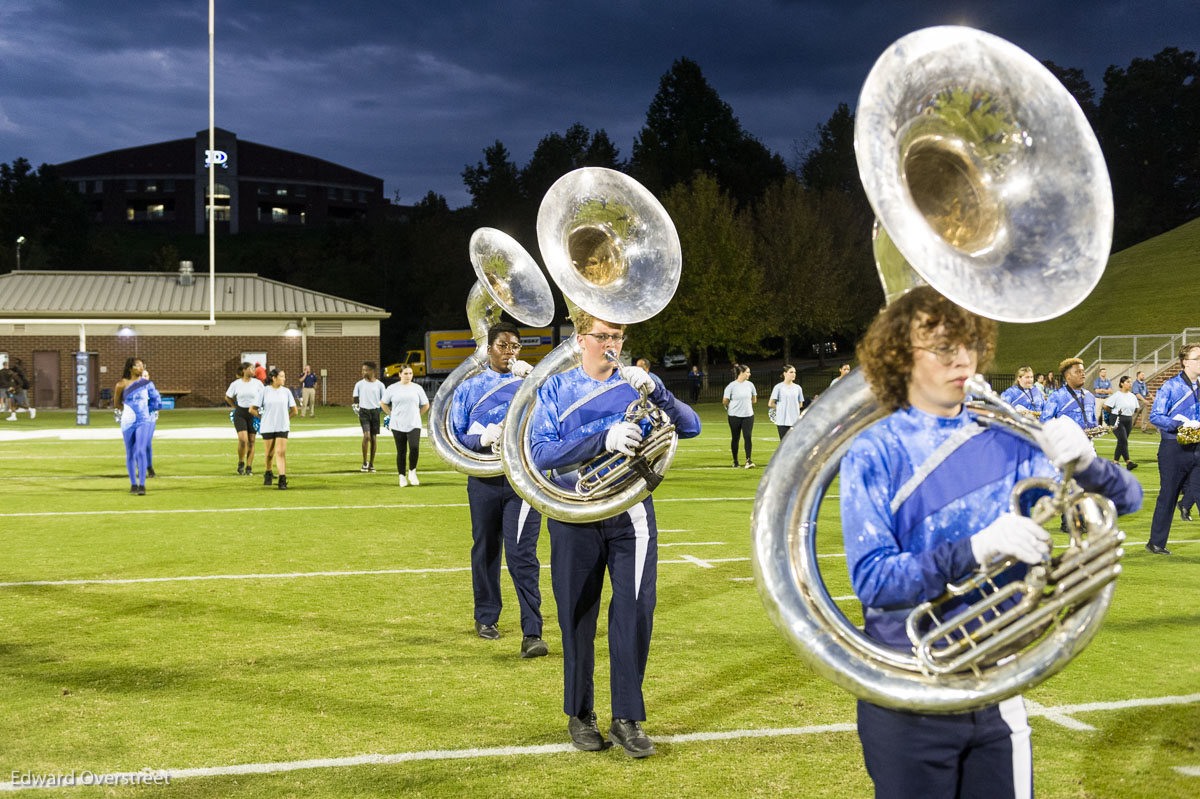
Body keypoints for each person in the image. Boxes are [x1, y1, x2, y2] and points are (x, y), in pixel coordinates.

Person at [841, 286, 1142, 799]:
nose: (962, 359)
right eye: (941, 348)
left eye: (968, 344)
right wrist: (975, 549)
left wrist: (1089, 464)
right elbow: (873, 581)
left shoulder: (1010, 439)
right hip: (907, 692)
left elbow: (1128, 499)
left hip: (998, 685)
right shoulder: (874, 449)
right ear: (898, 357)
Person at [529, 310, 701, 758]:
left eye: (619, 336)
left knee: (636, 610)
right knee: (576, 615)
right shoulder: (555, 387)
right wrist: (602, 439)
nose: (612, 343)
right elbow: (541, 451)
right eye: (603, 335)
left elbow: (691, 426)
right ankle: (579, 713)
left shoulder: (637, 382)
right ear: (580, 338)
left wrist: (659, 390)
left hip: (631, 511)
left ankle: (627, 717)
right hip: (573, 512)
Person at [449, 321, 546, 656]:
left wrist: (535, 381)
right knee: (486, 548)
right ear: (489, 348)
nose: (510, 352)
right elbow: (457, 433)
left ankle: (532, 631)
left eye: (515, 346)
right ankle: (486, 616)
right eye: (503, 346)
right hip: (484, 480)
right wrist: (482, 438)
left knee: (522, 555)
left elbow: (551, 420)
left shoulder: (531, 382)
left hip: (523, 481)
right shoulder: (470, 387)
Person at [1146, 344, 1200, 555]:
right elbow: (1155, 417)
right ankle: (1156, 542)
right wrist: (1179, 424)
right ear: (1185, 362)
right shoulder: (1170, 387)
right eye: (1198, 357)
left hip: (1197, 445)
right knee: (1168, 495)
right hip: (1173, 448)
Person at [114, 361, 161, 495]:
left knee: (140, 450)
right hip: (128, 421)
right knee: (130, 452)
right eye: (138, 366)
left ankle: (142, 485)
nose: (142, 368)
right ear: (130, 368)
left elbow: (156, 401)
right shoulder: (121, 384)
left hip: (143, 420)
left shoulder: (147, 384)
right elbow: (117, 404)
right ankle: (133, 484)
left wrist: (148, 410)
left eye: (143, 366)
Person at [381, 365, 430, 486]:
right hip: (397, 424)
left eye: (410, 373)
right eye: (406, 373)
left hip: (414, 423)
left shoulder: (417, 388)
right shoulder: (392, 388)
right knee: (401, 451)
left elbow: (426, 405)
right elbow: (383, 403)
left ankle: (412, 472)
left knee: (414, 448)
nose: (408, 376)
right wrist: (391, 414)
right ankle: (402, 476)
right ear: (400, 374)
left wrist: (417, 415)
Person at [252, 367, 298, 489]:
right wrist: (262, 418)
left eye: (284, 376)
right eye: (281, 376)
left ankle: (282, 479)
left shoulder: (286, 392)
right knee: (269, 453)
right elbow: (252, 409)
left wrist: (286, 419)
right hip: (267, 426)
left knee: (280, 452)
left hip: (282, 426)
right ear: (274, 378)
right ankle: (268, 472)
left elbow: (294, 411)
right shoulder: (264, 391)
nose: (284, 378)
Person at [225, 362, 264, 475]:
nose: (253, 370)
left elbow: (263, 396)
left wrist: (261, 409)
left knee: (252, 441)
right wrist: (235, 407)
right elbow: (227, 397)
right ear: (244, 370)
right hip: (240, 413)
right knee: (243, 440)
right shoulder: (236, 384)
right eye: (251, 368)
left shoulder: (257, 383)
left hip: (253, 413)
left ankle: (249, 467)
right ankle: (241, 463)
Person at [1041, 358, 1099, 431]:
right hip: (1065, 441)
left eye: (1083, 371)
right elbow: (1044, 423)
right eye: (1078, 372)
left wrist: (1097, 428)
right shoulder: (1057, 396)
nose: (1083, 374)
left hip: (1087, 441)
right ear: (1068, 376)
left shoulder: (1089, 395)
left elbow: (1093, 420)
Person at [126, 358, 160, 477]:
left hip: (148, 419)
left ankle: (149, 467)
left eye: (146, 376)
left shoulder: (150, 387)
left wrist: (149, 408)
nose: (144, 378)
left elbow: (157, 402)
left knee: (146, 444)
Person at [353, 361, 385, 472]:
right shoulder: (359, 384)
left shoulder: (380, 385)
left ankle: (371, 464)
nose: (363, 372)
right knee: (366, 436)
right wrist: (357, 408)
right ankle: (364, 462)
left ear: (372, 371)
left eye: (366, 370)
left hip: (375, 412)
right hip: (364, 412)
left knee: (373, 438)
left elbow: (384, 400)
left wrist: (381, 410)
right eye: (362, 370)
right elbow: (355, 399)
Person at [723, 364, 757, 468]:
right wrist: (734, 407)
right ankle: (735, 461)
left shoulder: (750, 385)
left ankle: (748, 461)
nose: (749, 374)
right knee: (735, 438)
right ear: (741, 373)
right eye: (747, 372)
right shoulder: (731, 386)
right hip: (734, 416)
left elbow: (754, 399)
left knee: (748, 437)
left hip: (748, 415)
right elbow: (725, 401)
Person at [1104, 376, 1139, 470]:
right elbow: (1106, 406)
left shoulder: (1132, 396)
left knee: (1123, 441)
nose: (1130, 384)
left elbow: (1136, 408)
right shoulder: (1117, 395)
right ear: (1122, 384)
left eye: (1131, 382)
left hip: (1128, 419)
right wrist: (1112, 414)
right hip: (1117, 418)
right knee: (1123, 440)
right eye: (1127, 382)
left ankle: (1126, 462)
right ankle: (1117, 462)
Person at [768, 364, 804, 439]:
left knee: (794, 443)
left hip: (795, 421)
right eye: (791, 372)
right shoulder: (778, 387)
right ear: (785, 374)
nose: (794, 374)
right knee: (784, 444)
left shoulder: (798, 388)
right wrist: (781, 408)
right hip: (782, 421)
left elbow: (800, 404)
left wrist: (793, 408)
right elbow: (771, 403)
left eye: (795, 372)